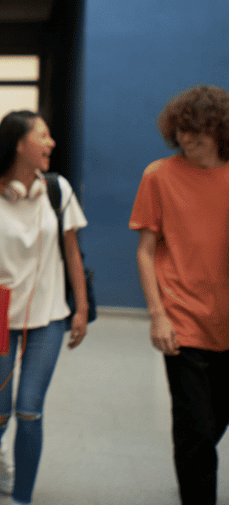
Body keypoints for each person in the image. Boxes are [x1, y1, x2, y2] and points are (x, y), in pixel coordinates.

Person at [0, 110, 89, 504]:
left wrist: (79, 309)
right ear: (18, 144)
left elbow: (73, 254)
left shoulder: (57, 191)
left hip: (49, 317)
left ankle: (22, 497)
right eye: (42, 136)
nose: (51, 144)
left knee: (29, 410)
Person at [130, 85, 229, 505]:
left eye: (199, 131)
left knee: (211, 425)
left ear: (220, 131)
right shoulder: (158, 177)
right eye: (183, 131)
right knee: (194, 432)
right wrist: (159, 315)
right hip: (182, 321)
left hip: (226, 322)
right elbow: (146, 251)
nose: (188, 139)